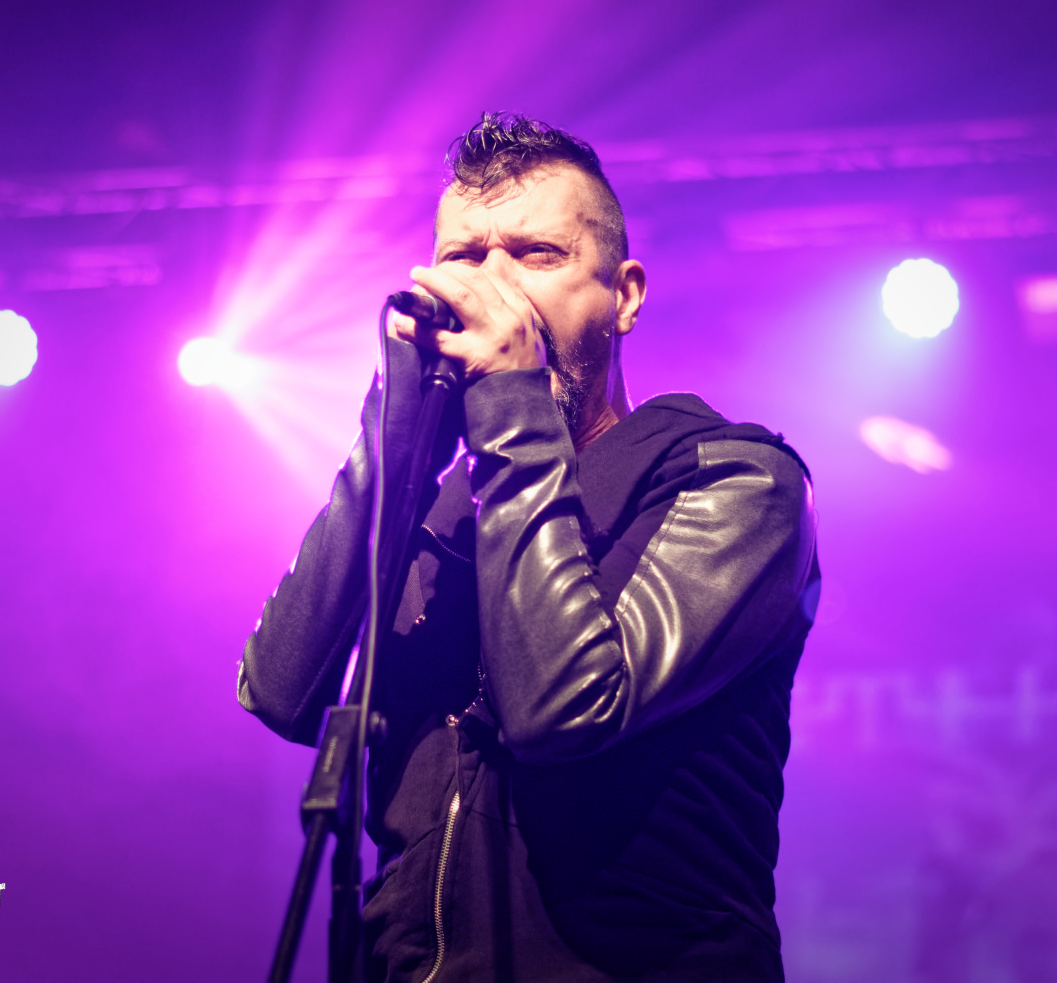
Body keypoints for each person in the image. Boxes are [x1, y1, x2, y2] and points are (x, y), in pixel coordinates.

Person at [238, 112, 820, 982]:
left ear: (623, 296)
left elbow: (564, 712)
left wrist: (513, 403)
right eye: (464, 259)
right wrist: (394, 440)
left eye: (536, 255)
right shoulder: (437, 511)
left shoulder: (733, 479)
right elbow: (279, 690)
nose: (495, 291)